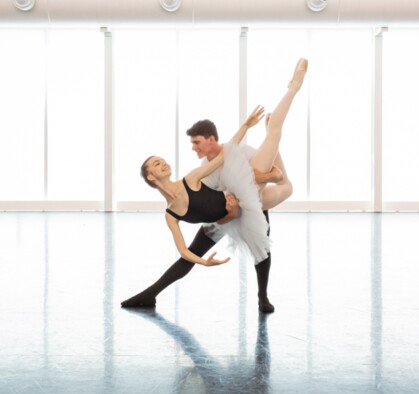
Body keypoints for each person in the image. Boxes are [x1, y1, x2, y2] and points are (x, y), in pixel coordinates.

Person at [121, 58, 308, 312]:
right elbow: (186, 250)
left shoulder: (196, 175)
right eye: (156, 164)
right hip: (226, 212)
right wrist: (219, 232)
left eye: (197, 142)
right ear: (151, 178)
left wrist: (247, 131)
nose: (193, 148)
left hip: (248, 199)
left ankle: (293, 87)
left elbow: (229, 155)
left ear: (210, 139)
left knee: (279, 194)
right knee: (192, 254)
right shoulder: (174, 209)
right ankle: (149, 294)